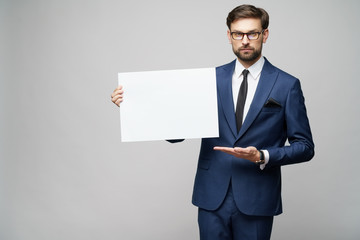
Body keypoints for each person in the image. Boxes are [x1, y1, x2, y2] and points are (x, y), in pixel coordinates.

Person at [111, 4, 314, 240]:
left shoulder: (286, 84)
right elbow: (176, 131)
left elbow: (305, 147)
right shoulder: (208, 80)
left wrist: (261, 155)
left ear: (265, 35)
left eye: (253, 33)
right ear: (229, 36)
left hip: (257, 196)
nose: (245, 40)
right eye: (238, 33)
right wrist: (133, 105)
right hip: (211, 195)